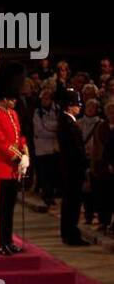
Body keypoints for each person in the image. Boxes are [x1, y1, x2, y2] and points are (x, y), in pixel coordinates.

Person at [0, 62, 29, 255]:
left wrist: (25, 154)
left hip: (13, 169)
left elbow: (20, 137)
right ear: (3, 98)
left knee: (9, 209)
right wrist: (20, 158)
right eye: (11, 99)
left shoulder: (13, 114)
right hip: (0, 168)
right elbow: (1, 143)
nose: (14, 102)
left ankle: (8, 240)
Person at [57, 89, 90, 246]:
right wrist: (85, 166)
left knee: (69, 202)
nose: (79, 107)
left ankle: (68, 233)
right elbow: (77, 150)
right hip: (73, 170)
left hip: (68, 169)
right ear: (70, 106)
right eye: (77, 105)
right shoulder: (69, 124)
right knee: (73, 203)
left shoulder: (65, 121)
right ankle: (71, 234)